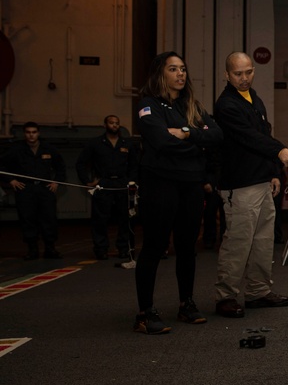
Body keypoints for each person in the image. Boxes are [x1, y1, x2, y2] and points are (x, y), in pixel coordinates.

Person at [133, 51, 223, 334]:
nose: (180, 74)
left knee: (187, 247)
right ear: (161, 74)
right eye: (173, 69)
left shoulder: (192, 106)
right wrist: (198, 142)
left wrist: (185, 133)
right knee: (154, 246)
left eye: (183, 68)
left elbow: (217, 136)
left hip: (191, 185)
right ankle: (145, 313)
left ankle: (186, 304)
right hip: (160, 183)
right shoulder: (149, 105)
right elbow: (160, 141)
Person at [212, 51, 288, 318]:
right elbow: (250, 138)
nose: (244, 78)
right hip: (240, 184)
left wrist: (274, 173)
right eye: (238, 74)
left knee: (263, 241)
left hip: (262, 181)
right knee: (239, 242)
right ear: (226, 75)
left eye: (248, 72)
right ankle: (226, 296)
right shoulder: (226, 105)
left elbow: (264, 134)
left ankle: (258, 292)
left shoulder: (255, 99)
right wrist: (281, 151)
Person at [76, 115, 137, 260]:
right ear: (105, 125)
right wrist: (88, 181)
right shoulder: (95, 143)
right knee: (100, 219)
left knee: (125, 218)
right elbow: (81, 163)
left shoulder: (127, 144)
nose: (114, 125)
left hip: (122, 184)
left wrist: (132, 182)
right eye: (111, 123)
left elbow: (134, 166)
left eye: (117, 123)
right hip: (103, 184)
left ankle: (124, 248)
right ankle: (101, 249)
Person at [2, 122, 66, 260]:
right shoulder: (17, 149)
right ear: (25, 134)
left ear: (38, 133)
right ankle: (32, 250)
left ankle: (50, 249)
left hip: (45, 189)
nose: (31, 135)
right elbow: (2, 165)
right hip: (26, 189)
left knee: (49, 218)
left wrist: (56, 181)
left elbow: (60, 167)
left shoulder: (48, 148)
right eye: (28, 132)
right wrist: (11, 180)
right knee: (27, 219)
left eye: (34, 132)